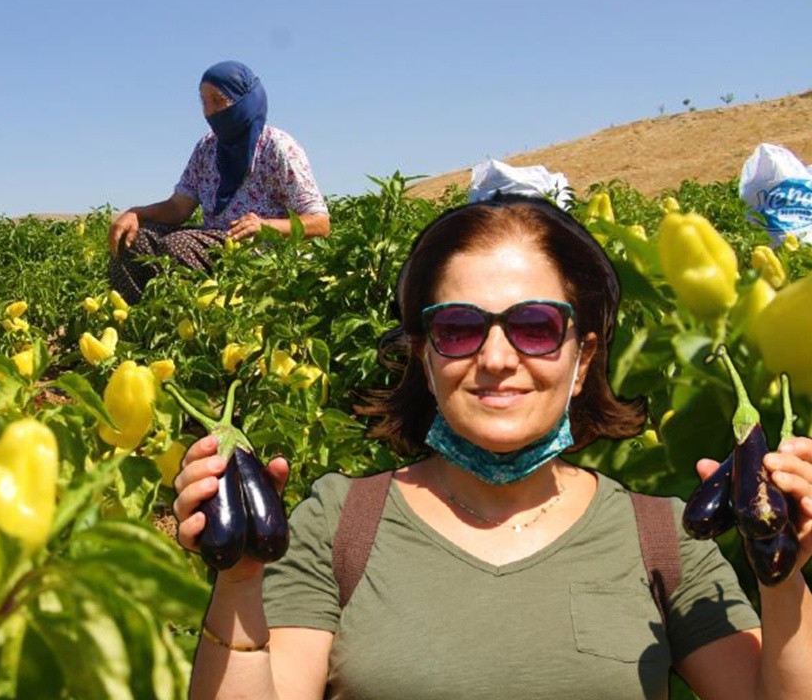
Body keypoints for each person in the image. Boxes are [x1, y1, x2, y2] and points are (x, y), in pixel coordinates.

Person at [172, 195, 812, 699]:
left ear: (582, 357)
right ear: (424, 357)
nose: (497, 359)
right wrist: (239, 583)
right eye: (458, 328)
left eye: (535, 327)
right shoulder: (337, 524)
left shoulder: (664, 538)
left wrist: (785, 578)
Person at [107, 60, 330, 304]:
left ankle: (193, 329)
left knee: (178, 246)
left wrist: (265, 226)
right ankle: (141, 324)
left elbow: (320, 224)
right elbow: (179, 208)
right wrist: (136, 214)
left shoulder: (277, 147)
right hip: (212, 242)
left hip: (260, 251)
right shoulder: (207, 147)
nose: (210, 111)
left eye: (218, 100)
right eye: (204, 102)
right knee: (132, 240)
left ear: (244, 100)